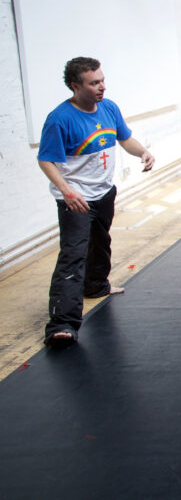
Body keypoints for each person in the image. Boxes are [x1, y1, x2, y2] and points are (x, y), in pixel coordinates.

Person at [37, 57, 156, 347]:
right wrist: (67, 191)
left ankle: (96, 286)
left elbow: (124, 139)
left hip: (103, 192)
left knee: (100, 241)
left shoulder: (109, 108)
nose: (102, 86)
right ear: (76, 86)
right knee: (73, 256)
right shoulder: (59, 119)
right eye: (94, 83)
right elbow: (46, 160)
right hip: (75, 198)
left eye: (102, 80)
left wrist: (143, 152)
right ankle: (62, 324)